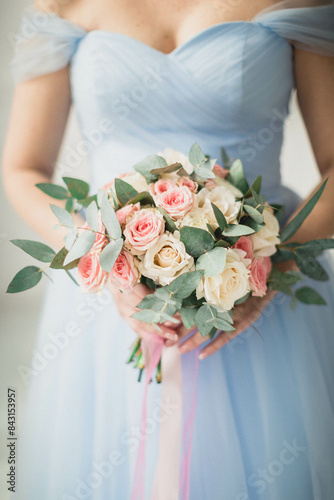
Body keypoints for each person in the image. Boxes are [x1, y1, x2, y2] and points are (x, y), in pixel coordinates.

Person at [2, 0, 334, 498]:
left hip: (264, 300)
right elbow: (23, 166)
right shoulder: (61, 3)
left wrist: (267, 269)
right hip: (109, 309)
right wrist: (99, 258)